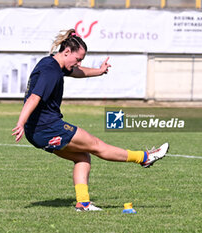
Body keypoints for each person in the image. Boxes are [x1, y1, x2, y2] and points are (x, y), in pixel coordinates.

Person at [12, 29, 169, 212]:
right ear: (67, 52)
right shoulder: (50, 71)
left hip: (37, 131)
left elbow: (77, 72)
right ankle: (144, 158)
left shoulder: (52, 63)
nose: (79, 63)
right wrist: (20, 122)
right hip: (47, 127)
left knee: (82, 157)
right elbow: (33, 98)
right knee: (96, 145)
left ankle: (83, 203)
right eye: (78, 59)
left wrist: (99, 71)